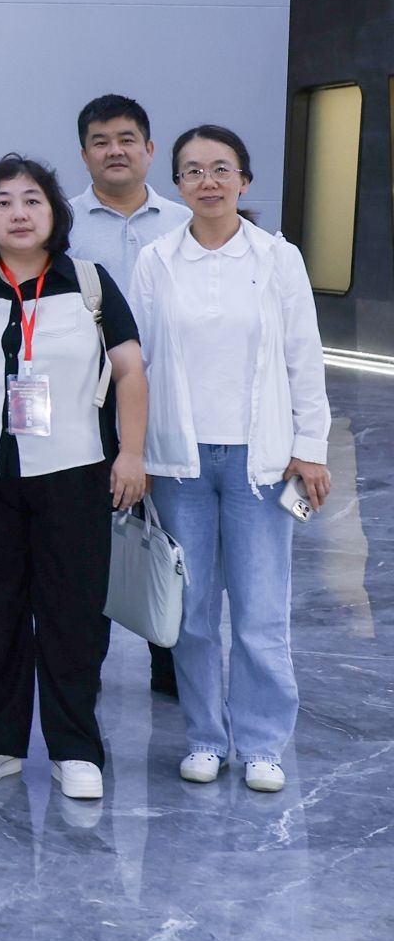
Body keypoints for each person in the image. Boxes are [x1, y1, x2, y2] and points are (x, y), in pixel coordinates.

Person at [0, 155, 148, 802]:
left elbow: (130, 370)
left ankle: (76, 748)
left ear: (54, 212)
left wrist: (132, 453)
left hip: (74, 471)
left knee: (74, 615)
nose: (18, 213)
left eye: (31, 200)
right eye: (2, 201)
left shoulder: (89, 282)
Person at [132, 125, 331, 793]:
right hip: (178, 463)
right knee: (189, 613)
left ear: (245, 181)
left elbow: (304, 357)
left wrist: (310, 448)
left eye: (222, 168)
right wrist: (134, 449)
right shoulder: (157, 260)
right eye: (193, 170)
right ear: (177, 184)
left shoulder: (278, 258)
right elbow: (138, 364)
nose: (208, 181)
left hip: (262, 464)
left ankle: (262, 743)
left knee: (259, 610)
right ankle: (204, 738)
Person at [66, 94, 189, 699]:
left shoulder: (185, 221)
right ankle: (81, 668)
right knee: (90, 538)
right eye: (100, 141)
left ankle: (173, 664)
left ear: (149, 148)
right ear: (84, 153)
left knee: (174, 533)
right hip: (85, 406)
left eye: (126, 139)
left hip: (174, 403)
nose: (114, 151)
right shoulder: (59, 224)